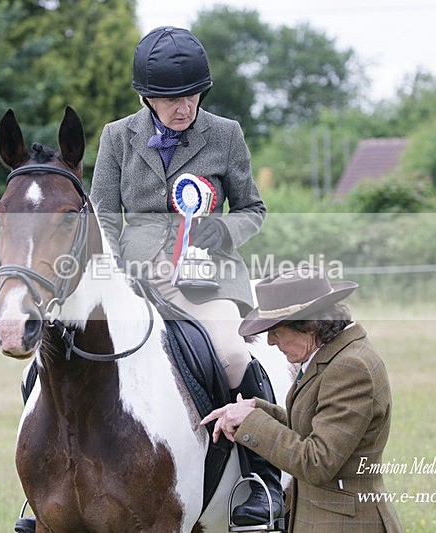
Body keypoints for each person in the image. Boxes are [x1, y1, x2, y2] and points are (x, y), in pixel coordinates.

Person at [90, 27, 283, 525]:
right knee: (58, 355)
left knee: (232, 352)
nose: (185, 107)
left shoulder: (225, 134)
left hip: (205, 280)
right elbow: (104, 219)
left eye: (193, 95)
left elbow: (253, 209)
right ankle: (50, 485)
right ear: (145, 98)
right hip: (136, 282)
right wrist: (122, 269)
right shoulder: (117, 138)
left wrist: (216, 234)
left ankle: (260, 479)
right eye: (171, 99)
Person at [201, 267, 404, 532]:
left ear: (308, 325)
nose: (271, 342)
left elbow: (317, 462)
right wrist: (258, 410)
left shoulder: (350, 368)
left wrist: (253, 424)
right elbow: (314, 426)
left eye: (276, 330)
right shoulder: (332, 356)